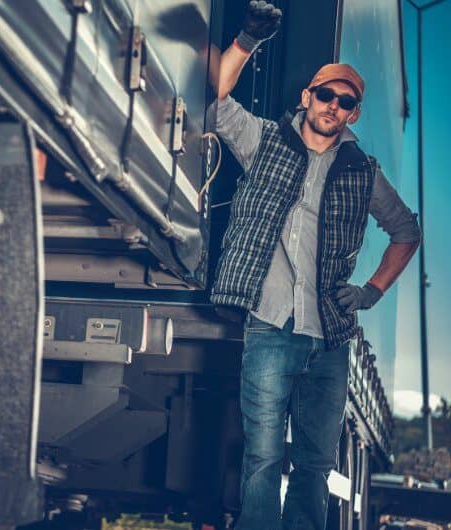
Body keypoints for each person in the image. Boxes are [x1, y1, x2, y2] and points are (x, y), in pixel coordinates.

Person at [210, 2, 422, 529]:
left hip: (330, 337)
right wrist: (246, 41)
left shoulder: (363, 172)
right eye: (325, 93)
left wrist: (372, 290)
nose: (332, 104)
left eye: (344, 101)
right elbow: (215, 100)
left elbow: (406, 231)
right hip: (269, 325)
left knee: (315, 464)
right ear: (308, 96)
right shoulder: (264, 141)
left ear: (352, 113)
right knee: (261, 457)